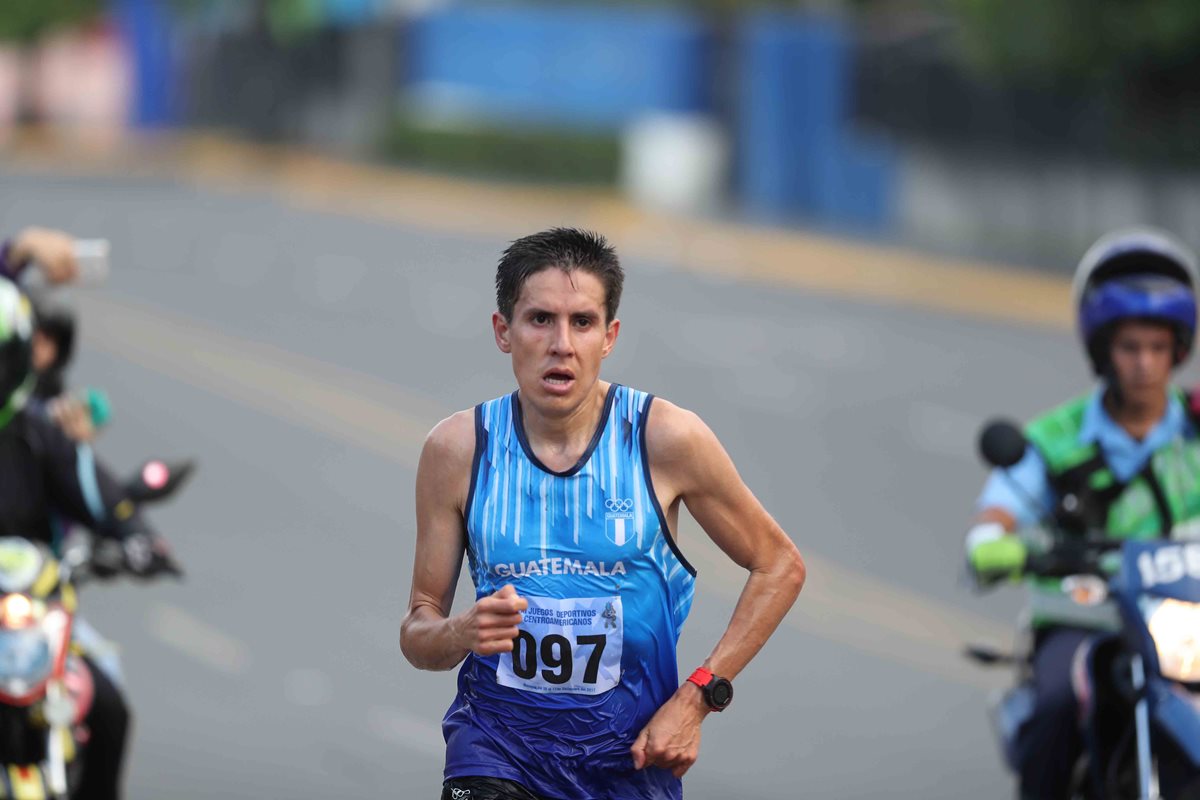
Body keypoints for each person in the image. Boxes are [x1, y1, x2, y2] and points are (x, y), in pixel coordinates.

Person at [400, 228, 806, 800]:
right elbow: (419, 633)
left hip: (629, 762)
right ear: (503, 331)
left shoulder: (665, 439)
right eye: (540, 319)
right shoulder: (458, 449)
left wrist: (695, 699)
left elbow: (779, 566)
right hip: (496, 750)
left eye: (582, 322)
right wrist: (459, 631)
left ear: (609, 336)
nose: (561, 344)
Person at [966, 226, 1200, 799]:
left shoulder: (1196, 429)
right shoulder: (1054, 438)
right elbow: (994, 518)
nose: (1144, 363)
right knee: (1058, 705)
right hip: (1085, 619)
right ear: (1102, 349)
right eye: (1129, 347)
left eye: (1157, 347)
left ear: (1179, 349)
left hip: (1185, 622)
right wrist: (1004, 547)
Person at [0, 231, 177, 800]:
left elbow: (104, 502)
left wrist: (138, 541)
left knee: (109, 706)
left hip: (27, 624)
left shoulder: (40, 434)